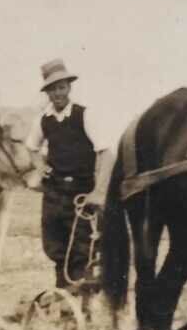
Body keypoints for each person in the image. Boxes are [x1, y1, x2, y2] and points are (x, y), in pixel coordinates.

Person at [24, 59, 120, 290]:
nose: (58, 93)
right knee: (56, 247)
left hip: (81, 193)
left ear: (69, 87)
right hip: (54, 192)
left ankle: (80, 302)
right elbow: (31, 147)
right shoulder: (43, 120)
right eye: (53, 89)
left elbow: (106, 153)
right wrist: (40, 167)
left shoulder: (84, 115)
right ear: (46, 92)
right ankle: (64, 299)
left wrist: (98, 192)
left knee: (81, 249)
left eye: (62, 87)